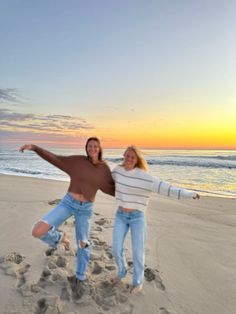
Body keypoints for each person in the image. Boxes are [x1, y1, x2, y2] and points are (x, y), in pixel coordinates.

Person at [19, 137, 115, 284]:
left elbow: (112, 188)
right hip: (68, 203)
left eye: (95, 146)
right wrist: (35, 147)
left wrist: (136, 191)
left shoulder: (104, 168)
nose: (93, 148)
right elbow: (55, 159)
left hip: (85, 209)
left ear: (100, 148)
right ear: (86, 148)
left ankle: (81, 276)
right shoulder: (77, 162)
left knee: (83, 243)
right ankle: (60, 237)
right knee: (37, 231)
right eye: (90, 146)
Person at [111, 146, 200, 294]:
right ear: (123, 156)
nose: (129, 159)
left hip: (137, 217)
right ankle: (122, 272)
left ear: (137, 159)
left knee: (138, 252)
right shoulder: (116, 172)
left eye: (132, 157)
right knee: (115, 248)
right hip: (120, 215)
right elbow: (102, 180)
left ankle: (138, 282)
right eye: (127, 156)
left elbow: (166, 188)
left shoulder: (145, 177)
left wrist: (188, 193)